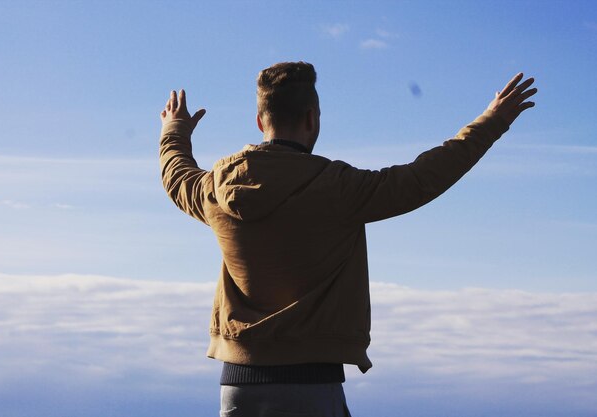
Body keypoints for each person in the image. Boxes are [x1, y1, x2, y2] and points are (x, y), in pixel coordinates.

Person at [159, 62, 537, 417]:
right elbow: (425, 176)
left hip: (237, 386)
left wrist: (174, 130)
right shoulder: (340, 188)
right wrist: (492, 122)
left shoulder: (215, 190)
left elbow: (177, 176)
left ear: (260, 121)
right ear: (312, 118)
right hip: (314, 383)